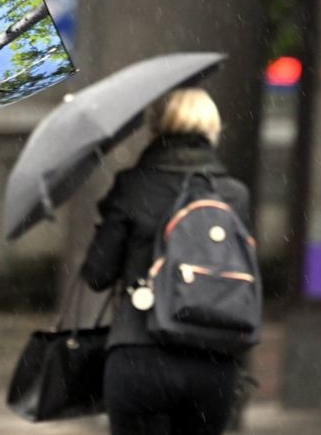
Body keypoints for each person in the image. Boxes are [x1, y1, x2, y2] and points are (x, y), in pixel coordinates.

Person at [80, 87, 251, 435]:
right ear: (211, 131)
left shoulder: (132, 186)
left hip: (139, 353)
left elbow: (97, 274)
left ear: (156, 130)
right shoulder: (234, 194)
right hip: (213, 362)